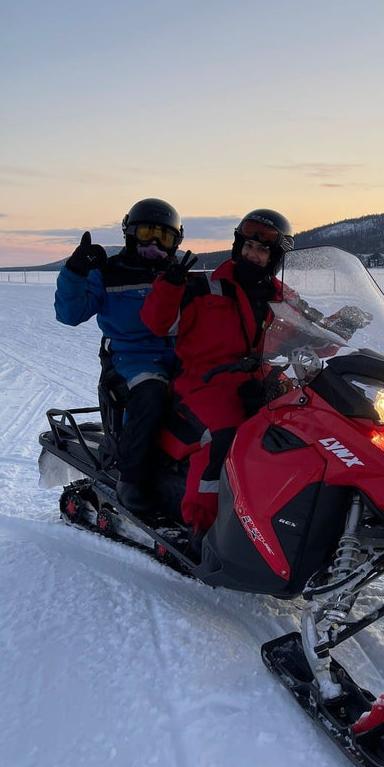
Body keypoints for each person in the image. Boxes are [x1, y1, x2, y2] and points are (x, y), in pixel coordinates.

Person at [140, 209, 295, 536]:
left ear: (274, 257)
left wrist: (340, 326)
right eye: (248, 246)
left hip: (261, 381)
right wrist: (169, 286)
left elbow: (309, 337)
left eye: (262, 250)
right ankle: (204, 526)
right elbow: (157, 323)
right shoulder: (203, 286)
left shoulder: (283, 298)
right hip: (204, 383)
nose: (252, 255)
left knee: (305, 428)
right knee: (224, 437)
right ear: (238, 246)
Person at [54, 198, 186, 513]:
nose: (154, 245)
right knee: (152, 393)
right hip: (130, 359)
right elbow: (70, 314)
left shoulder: (178, 276)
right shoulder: (110, 273)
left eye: (163, 237)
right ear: (129, 234)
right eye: (146, 234)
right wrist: (75, 272)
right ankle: (132, 479)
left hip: (179, 356)